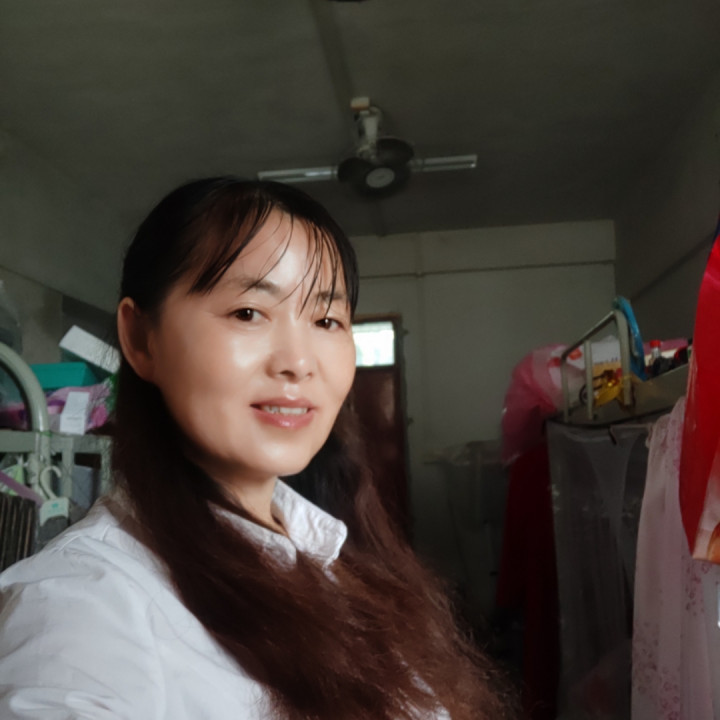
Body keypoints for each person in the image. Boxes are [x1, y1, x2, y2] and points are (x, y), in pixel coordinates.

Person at [0, 178, 512, 719]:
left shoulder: (327, 547)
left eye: (326, 321)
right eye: (248, 312)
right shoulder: (80, 606)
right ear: (141, 338)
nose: (299, 362)